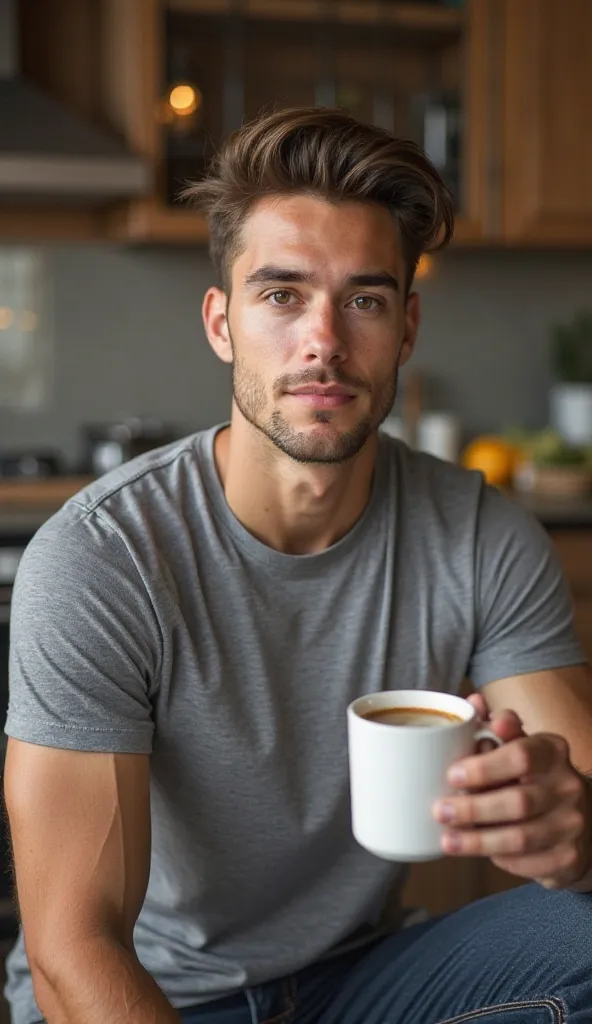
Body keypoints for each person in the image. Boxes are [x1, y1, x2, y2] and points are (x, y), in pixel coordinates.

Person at [4, 106, 592, 1024]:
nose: (324, 340)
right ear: (221, 322)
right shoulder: (103, 555)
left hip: (357, 979)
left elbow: (579, 796)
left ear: (406, 327)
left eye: (364, 298)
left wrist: (574, 832)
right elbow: (72, 948)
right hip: (161, 999)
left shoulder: (480, 533)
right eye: (281, 295)